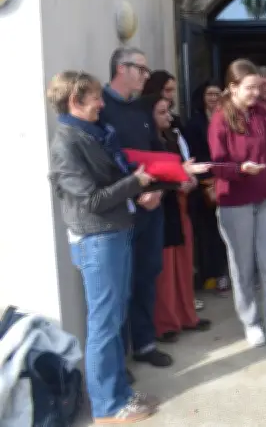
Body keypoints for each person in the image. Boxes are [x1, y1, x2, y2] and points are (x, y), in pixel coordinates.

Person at [48, 71, 159, 423]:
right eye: (95, 98)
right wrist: (135, 183)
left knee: (114, 318)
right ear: (74, 101)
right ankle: (108, 407)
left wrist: (136, 187)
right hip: (97, 239)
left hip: (113, 233)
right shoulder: (67, 143)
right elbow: (92, 200)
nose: (101, 104)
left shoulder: (93, 134)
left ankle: (119, 392)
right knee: (104, 325)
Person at [207, 59, 266, 357]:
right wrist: (240, 169)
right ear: (232, 88)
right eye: (250, 88)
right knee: (242, 268)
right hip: (235, 202)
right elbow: (217, 164)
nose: (257, 93)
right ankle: (251, 322)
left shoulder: (261, 114)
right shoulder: (220, 119)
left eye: (259, 87)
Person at [100, 47, 172, 374]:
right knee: (120, 285)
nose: (146, 76)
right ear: (121, 68)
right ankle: (118, 359)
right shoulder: (101, 107)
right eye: (141, 69)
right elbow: (104, 163)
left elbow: (156, 153)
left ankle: (144, 344)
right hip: (120, 211)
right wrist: (134, 191)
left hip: (150, 207)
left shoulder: (142, 107)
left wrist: (157, 190)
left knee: (146, 274)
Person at [142, 95, 212, 342]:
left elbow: (182, 168)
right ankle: (166, 324)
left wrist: (188, 179)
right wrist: (181, 175)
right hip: (162, 208)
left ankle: (186, 316)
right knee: (165, 270)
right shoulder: (148, 143)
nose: (169, 117)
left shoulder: (171, 137)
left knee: (183, 264)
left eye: (168, 111)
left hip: (180, 206)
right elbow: (155, 175)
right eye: (162, 112)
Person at [185, 81, 231, 296]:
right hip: (204, 185)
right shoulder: (195, 123)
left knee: (225, 232)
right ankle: (211, 276)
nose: (213, 98)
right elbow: (193, 154)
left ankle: (225, 274)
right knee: (208, 233)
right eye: (209, 94)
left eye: (216, 93)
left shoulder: (229, 118)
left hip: (227, 181)